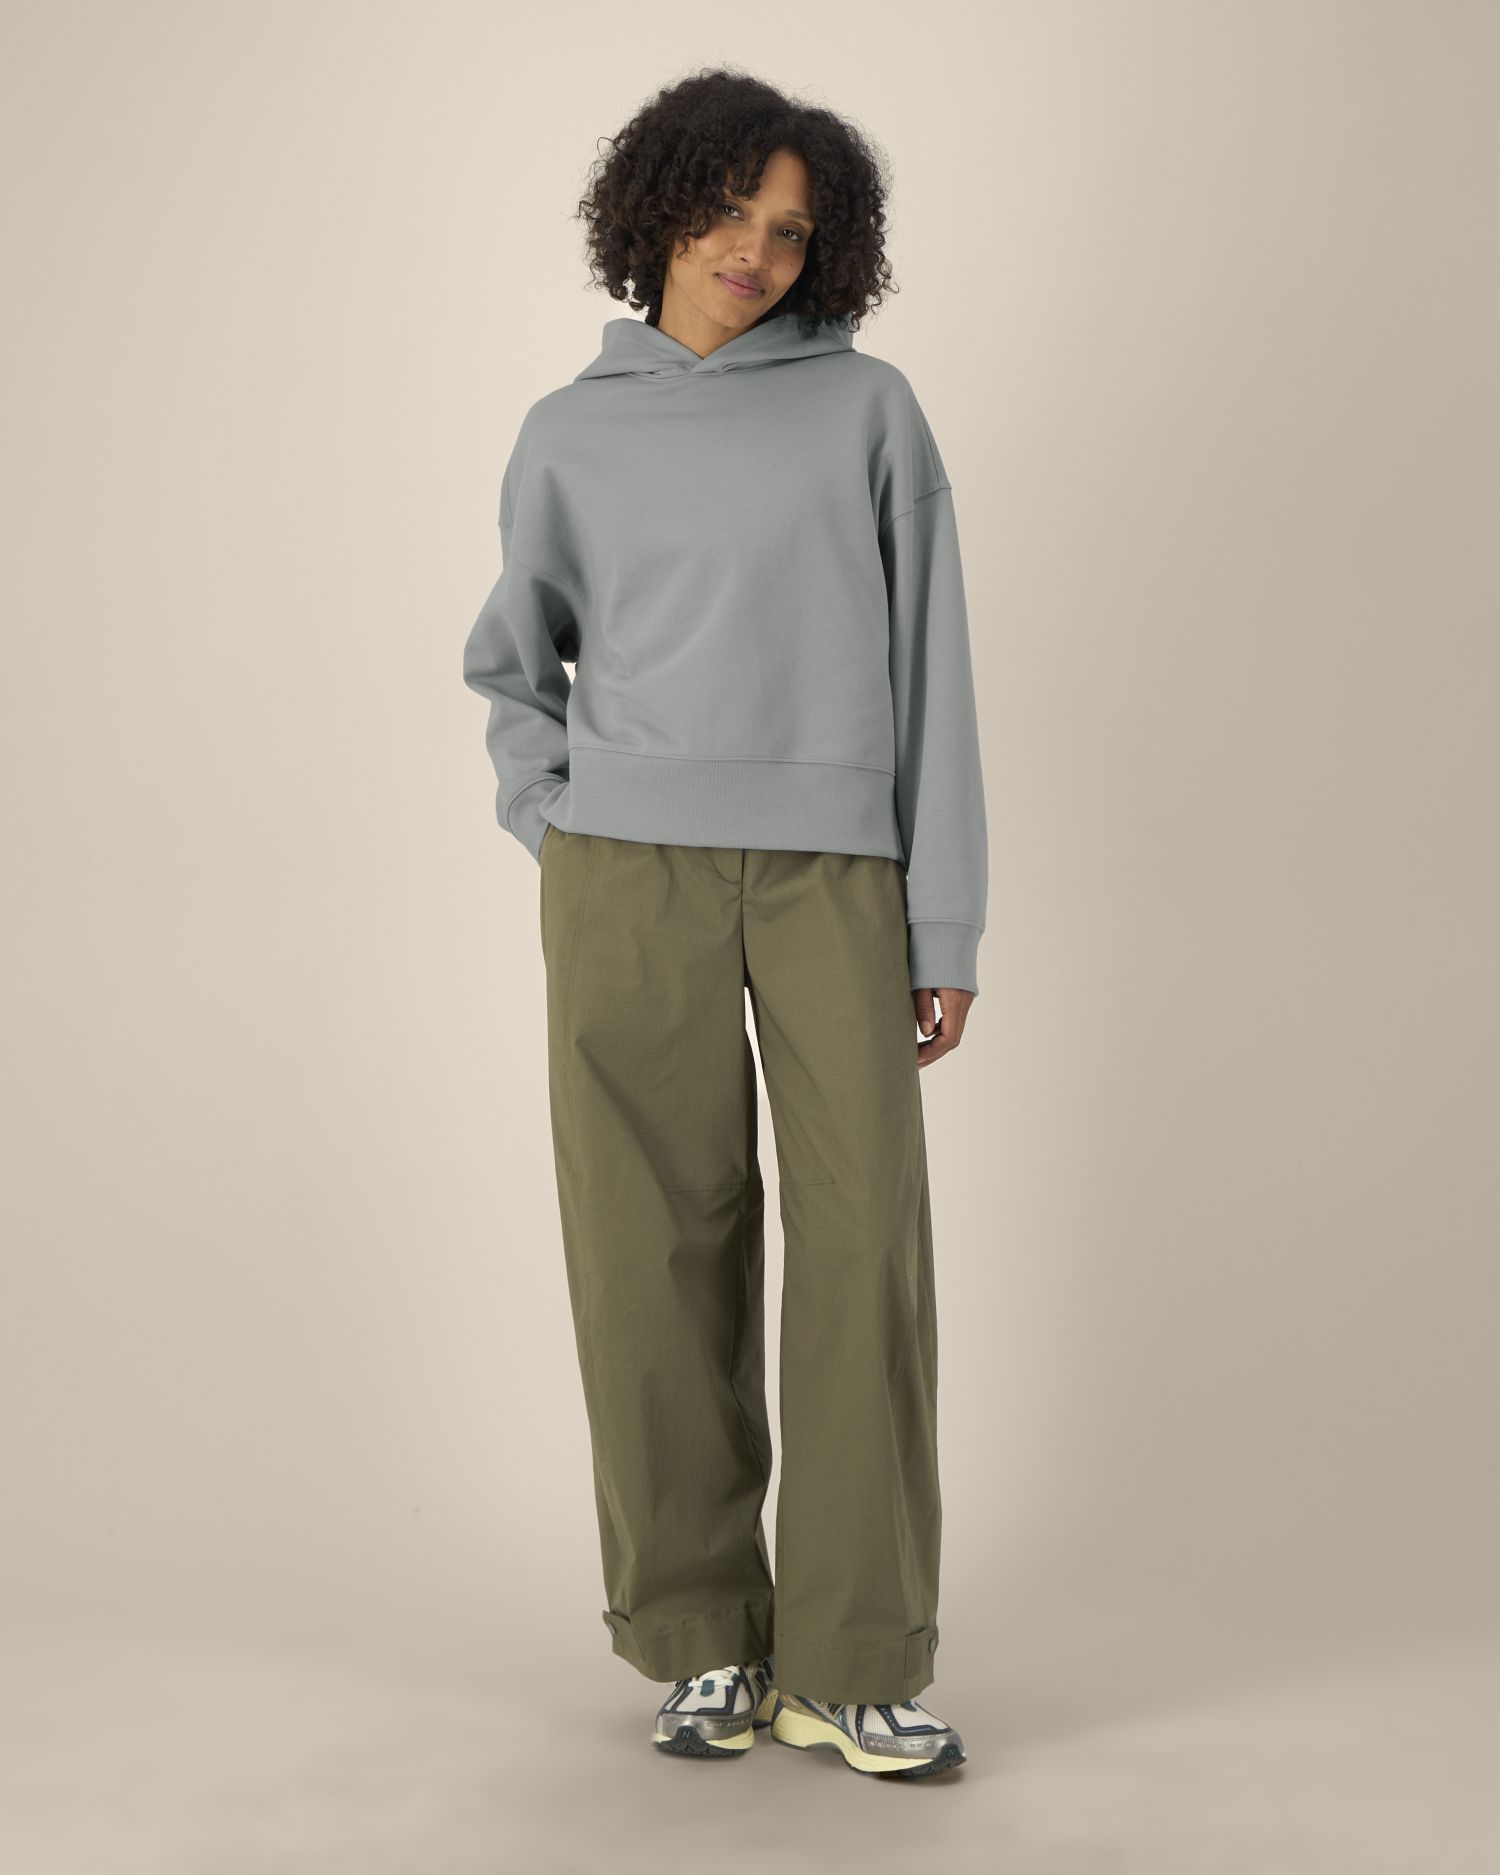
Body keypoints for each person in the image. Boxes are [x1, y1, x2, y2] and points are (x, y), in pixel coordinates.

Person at [462, 68, 986, 1781]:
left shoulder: (870, 411)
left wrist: (943, 922)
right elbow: (512, 660)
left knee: (863, 1249)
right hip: (628, 876)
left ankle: (854, 1655)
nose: (755, 251)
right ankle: (699, 1638)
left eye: (792, 231)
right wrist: (557, 819)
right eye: (728, 212)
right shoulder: (570, 432)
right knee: (649, 1252)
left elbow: (933, 676)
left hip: (835, 877)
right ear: (658, 208)